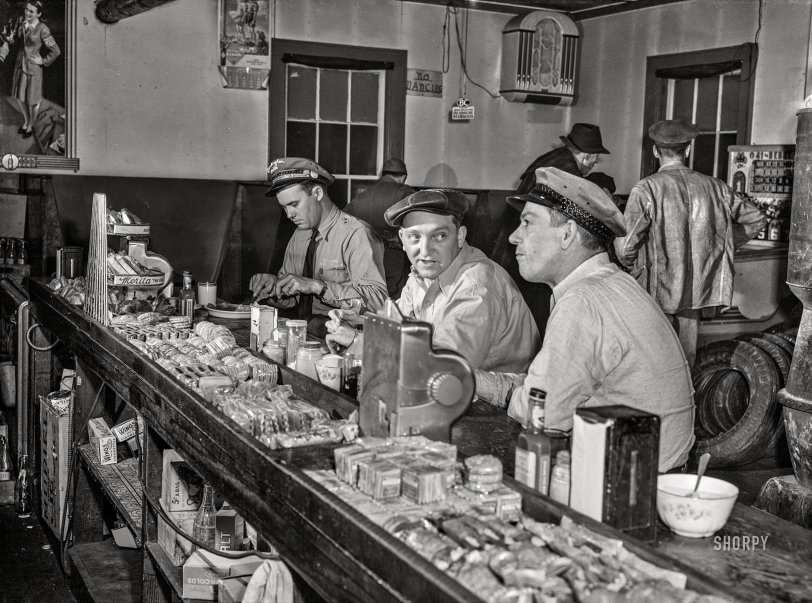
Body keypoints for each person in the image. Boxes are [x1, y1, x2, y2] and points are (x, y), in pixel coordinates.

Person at [477, 168, 695, 472]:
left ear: (567, 233)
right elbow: (548, 388)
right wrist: (476, 381)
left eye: (527, 223)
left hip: (630, 493)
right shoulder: (614, 284)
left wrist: (491, 389)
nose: (514, 237)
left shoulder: (583, 302)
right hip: (652, 474)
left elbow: (545, 414)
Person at [327, 188, 540, 376]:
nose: (426, 251)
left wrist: (359, 343)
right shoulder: (422, 275)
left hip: (497, 411)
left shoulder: (477, 285)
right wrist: (360, 322)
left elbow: (444, 367)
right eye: (415, 237)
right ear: (402, 239)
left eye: (439, 236)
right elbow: (400, 326)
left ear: (460, 236)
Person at [614, 120, 767, 368]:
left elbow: (625, 247)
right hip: (696, 293)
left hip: (655, 291)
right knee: (685, 363)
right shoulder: (717, 187)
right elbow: (757, 220)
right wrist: (722, 245)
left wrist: (630, 265)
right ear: (686, 151)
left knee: (651, 362)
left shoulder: (646, 189)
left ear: (655, 151)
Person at [250, 157, 387, 338]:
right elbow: (293, 300)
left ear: (317, 193)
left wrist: (318, 287)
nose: (289, 215)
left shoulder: (356, 234)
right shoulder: (300, 234)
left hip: (345, 340)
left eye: (294, 204)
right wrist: (275, 288)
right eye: (284, 208)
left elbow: (378, 303)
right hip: (304, 334)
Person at [344, 158, 414, 298]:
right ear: (403, 177)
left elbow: (343, 223)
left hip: (364, 257)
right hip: (393, 257)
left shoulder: (362, 195)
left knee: (370, 298)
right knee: (392, 303)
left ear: (383, 175)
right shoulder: (406, 193)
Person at [3, 1, 60, 139]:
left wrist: (43, 61)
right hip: (19, 66)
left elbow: (56, 51)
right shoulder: (22, 22)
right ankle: (26, 120)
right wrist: (10, 39)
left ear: (39, 14)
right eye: (26, 10)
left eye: (31, 11)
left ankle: (31, 125)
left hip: (33, 69)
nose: (27, 13)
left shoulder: (43, 29)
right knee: (20, 98)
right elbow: (17, 40)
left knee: (32, 101)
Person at [516, 123, 610, 194]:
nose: (595, 163)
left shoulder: (559, 155)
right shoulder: (568, 169)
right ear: (587, 156)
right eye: (595, 158)